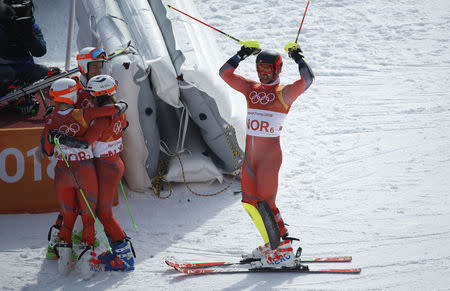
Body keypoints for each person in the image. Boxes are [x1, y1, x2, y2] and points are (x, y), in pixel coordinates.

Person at [219, 41, 314, 268]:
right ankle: (272, 245)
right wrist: (242, 54)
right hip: (251, 159)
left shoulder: (285, 93)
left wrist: (298, 57)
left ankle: (284, 251)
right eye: (259, 70)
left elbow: (307, 80)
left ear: (278, 70)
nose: (262, 74)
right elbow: (225, 73)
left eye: (267, 70)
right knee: (250, 202)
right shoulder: (251, 88)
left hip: (269, 158)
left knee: (268, 203)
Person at [41, 77, 127, 279]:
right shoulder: (84, 114)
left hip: (62, 172)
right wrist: (122, 104)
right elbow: (110, 111)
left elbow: (47, 150)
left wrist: (57, 135)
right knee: (89, 217)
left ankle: (62, 264)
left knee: (68, 215)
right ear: (72, 94)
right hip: (86, 171)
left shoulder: (49, 119)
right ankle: (87, 268)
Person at [45, 46, 108, 260]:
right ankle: (59, 247)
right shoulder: (75, 88)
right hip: (77, 157)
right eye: (94, 66)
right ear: (83, 66)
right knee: (71, 208)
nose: (98, 70)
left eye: (101, 65)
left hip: (92, 154)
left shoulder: (99, 85)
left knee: (85, 205)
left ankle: (80, 243)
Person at [81, 74, 135, 271]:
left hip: (106, 168)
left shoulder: (101, 120)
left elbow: (85, 142)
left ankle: (125, 258)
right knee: (103, 212)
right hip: (114, 164)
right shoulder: (118, 111)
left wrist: (60, 137)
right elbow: (125, 124)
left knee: (104, 213)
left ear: (95, 96)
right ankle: (119, 251)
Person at [0, 0, 50, 115]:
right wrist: (10, 32)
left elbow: (41, 51)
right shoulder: (2, 26)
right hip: (4, 73)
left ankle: (20, 95)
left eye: (28, 9)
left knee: (46, 73)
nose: (27, 13)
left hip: (25, 72)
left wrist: (29, 37)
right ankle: (15, 96)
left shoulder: (31, 26)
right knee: (7, 73)